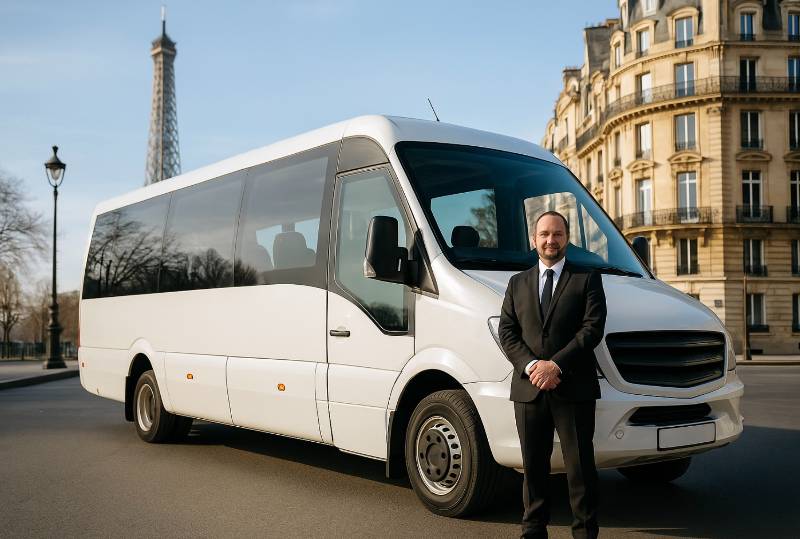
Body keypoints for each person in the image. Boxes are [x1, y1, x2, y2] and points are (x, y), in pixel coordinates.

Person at [498, 210, 607, 539]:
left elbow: (592, 329)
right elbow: (508, 332)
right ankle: (533, 530)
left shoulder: (587, 279)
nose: (551, 240)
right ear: (534, 240)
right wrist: (533, 367)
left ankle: (585, 532)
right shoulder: (517, 283)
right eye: (544, 234)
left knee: (579, 468)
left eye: (557, 234)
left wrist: (555, 365)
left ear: (567, 238)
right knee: (533, 467)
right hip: (529, 389)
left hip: (572, 386)